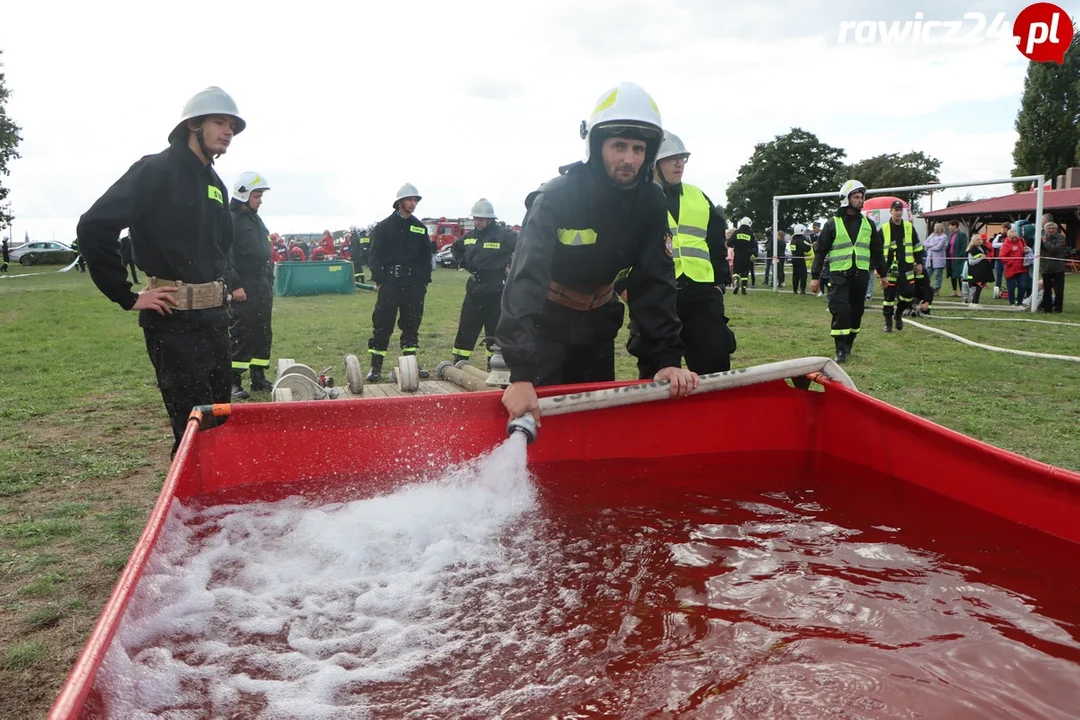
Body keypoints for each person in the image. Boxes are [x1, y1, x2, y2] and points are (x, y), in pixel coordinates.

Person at [496, 81, 698, 424]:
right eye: (618, 146)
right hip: (548, 324)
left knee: (590, 421)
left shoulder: (651, 200)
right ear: (595, 144)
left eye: (637, 149)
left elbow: (655, 281)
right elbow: (525, 280)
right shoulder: (557, 196)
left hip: (599, 325)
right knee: (537, 423)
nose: (628, 159)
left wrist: (666, 359)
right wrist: (521, 374)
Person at [77, 86, 244, 456]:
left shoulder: (215, 184)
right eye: (219, 122)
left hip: (214, 319)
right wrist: (126, 295)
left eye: (232, 124)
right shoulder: (155, 170)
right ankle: (191, 509)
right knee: (194, 429)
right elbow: (93, 226)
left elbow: (223, 247)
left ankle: (221, 504)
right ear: (192, 126)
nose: (228, 130)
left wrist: (228, 288)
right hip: (174, 321)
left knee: (221, 419)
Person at [630, 130, 733, 377]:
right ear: (653, 163)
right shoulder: (636, 197)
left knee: (714, 361)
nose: (679, 163)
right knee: (656, 368)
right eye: (671, 158)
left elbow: (716, 241)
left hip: (701, 292)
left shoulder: (698, 196)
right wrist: (627, 287)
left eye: (682, 158)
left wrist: (719, 283)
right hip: (657, 294)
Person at [809, 180, 888, 363]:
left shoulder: (868, 224)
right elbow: (820, 252)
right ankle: (840, 348)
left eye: (862, 197)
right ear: (846, 199)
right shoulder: (832, 224)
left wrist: (883, 274)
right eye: (856, 197)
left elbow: (877, 252)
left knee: (857, 311)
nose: (861, 201)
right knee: (841, 310)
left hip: (860, 275)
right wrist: (815, 277)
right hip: (838, 275)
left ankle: (850, 343)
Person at [365, 183, 433, 382]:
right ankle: (375, 367)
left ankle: (410, 365)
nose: (413, 204)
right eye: (410, 200)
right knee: (382, 324)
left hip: (414, 286)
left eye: (415, 200)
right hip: (390, 284)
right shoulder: (384, 227)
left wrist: (424, 282)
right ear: (400, 202)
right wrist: (380, 280)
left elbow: (426, 256)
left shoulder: (420, 228)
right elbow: (374, 256)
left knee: (411, 324)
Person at [450, 198, 516, 368]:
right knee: (466, 328)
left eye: (480, 219)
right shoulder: (470, 236)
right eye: (475, 219)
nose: (477, 222)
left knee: (494, 330)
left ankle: (493, 365)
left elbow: (524, 247)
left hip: (496, 289)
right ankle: (459, 364)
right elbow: (455, 248)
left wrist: (512, 266)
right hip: (474, 289)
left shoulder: (504, 234)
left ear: (490, 219)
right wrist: (464, 262)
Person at [228, 171, 275, 398]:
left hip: (262, 281)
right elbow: (226, 256)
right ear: (244, 195)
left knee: (263, 330)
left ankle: (258, 377)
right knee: (242, 331)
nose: (260, 200)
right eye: (257, 196)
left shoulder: (255, 219)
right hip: (243, 283)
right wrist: (235, 285)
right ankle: (234, 381)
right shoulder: (231, 219)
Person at [879, 200, 923, 332]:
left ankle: (898, 314)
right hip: (890, 268)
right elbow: (877, 250)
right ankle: (888, 323)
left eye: (900, 210)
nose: (898, 212)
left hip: (907, 267)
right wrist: (878, 269)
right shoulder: (884, 228)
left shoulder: (909, 227)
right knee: (889, 297)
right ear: (890, 211)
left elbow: (917, 246)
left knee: (908, 294)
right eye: (895, 210)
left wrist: (919, 262)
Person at [1040, 222, 1067, 313]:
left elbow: (1055, 249)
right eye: (1049, 228)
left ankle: (1058, 308)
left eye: (1052, 228)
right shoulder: (1042, 238)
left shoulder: (1060, 237)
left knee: (1058, 290)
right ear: (1046, 230)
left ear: (1056, 229)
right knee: (1046, 289)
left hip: (1058, 268)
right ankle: (1047, 308)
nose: (1051, 230)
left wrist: (1046, 242)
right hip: (1046, 268)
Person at [999, 228, 1028, 306]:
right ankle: (1012, 302)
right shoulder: (1006, 244)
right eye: (1012, 237)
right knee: (1011, 287)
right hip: (1011, 269)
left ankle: (1020, 302)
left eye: (1015, 237)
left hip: (1022, 268)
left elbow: (1024, 249)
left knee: (1022, 286)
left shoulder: (1021, 241)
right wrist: (1012, 261)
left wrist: (1026, 250)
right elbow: (1001, 257)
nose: (1014, 239)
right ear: (1008, 237)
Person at [965, 233, 995, 304]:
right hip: (976, 271)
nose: (979, 241)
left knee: (981, 285)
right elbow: (971, 262)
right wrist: (980, 259)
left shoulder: (984, 247)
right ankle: (974, 301)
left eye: (980, 239)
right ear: (973, 241)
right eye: (977, 240)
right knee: (978, 285)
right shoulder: (972, 250)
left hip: (985, 271)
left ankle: (975, 301)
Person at [730, 217, 756, 295]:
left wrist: (734, 246)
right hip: (747, 256)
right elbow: (754, 245)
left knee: (736, 271)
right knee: (745, 273)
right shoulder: (750, 234)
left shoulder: (736, 233)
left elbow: (729, 243)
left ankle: (736, 283)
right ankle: (744, 289)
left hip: (737, 255)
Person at [946, 220, 968, 298]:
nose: (949, 228)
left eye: (950, 226)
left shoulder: (962, 235)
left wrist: (959, 256)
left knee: (959, 275)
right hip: (951, 258)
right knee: (952, 274)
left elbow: (964, 246)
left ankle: (962, 291)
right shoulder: (951, 235)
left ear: (955, 225)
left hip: (958, 259)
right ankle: (954, 291)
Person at [788, 224, 812, 294]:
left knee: (795, 275)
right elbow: (807, 248)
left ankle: (795, 290)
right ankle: (802, 290)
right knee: (803, 275)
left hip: (794, 258)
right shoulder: (801, 240)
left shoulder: (793, 239)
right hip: (800, 259)